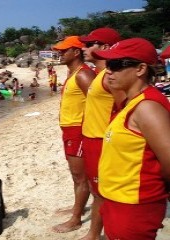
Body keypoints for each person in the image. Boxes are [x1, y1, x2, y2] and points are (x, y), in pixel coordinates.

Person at [93, 38, 170, 240]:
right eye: (108, 65)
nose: (108, 70)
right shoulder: (132, 102)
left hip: (134, 205)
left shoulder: (148, 108)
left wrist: (154, 191)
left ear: (140, 69)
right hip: (119, 200)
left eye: (116, 65)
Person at [79, 27, 124, 240]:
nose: (84, 48)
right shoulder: (99, 74)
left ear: (105, 47)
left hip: (100, 140)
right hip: (91, 138)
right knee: (93, 186)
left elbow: (123, 110)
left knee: (99, 191)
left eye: (90, 44)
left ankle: (93, 234)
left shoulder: (109, 77)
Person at [52, 36, 96, 233]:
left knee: (81, 177)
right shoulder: (74, 73)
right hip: (70, 130)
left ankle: (76, 219)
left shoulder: (83, 75)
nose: (60, 54)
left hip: (79, 131)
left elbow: (99, 105)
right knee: (76, 175)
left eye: (64, 50)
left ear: (76, 52)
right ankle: (77, 207)